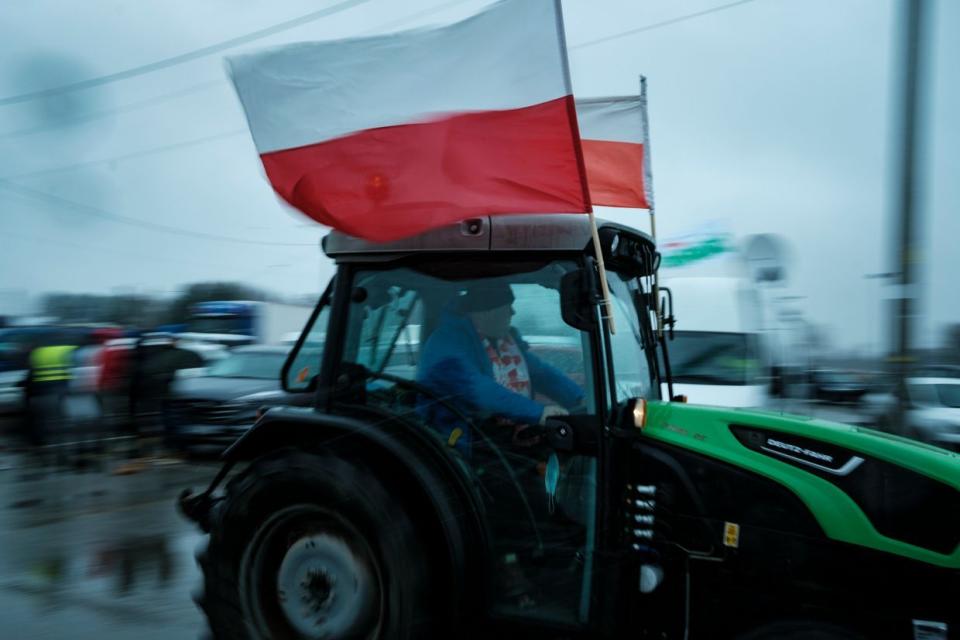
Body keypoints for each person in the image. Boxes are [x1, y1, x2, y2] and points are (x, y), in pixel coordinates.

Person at [417, 281, 583, 452]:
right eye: (507, 307)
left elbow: (539, 372)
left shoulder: (502, 340)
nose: (513, 312)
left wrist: (578, 397)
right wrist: (537, 413)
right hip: (456, 446)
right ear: (486, 313)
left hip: (496, 438)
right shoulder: (446, 343)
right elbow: (475, 388)